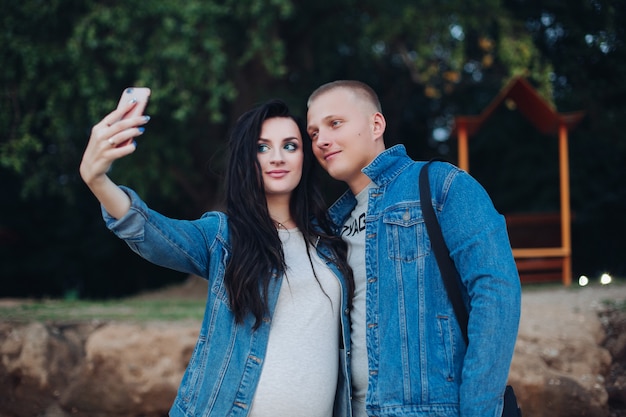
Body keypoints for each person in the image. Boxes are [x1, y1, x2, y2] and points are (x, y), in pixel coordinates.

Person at [79, 97, 354, 417]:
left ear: (305, 157)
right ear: (245, 160)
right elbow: (153, 232)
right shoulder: (224, 237)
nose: (277, 157)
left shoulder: (332, 240)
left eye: (290, 146)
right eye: (262, 147)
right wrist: (97, 180)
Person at [306, 80, 522, 417]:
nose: (321, 140)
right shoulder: (328, 228)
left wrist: (479, 410)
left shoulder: (441, 186)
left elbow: (497, 292)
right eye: (313, 133)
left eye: (335, 124)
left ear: (376, 125)